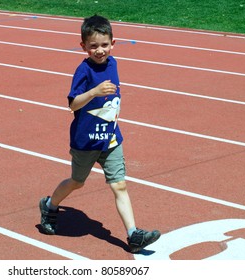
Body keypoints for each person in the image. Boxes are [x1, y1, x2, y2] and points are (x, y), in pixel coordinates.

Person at [39, 15, 160, 253]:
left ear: (113, 43)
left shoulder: (113, 63)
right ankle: (50, 205)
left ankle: (133, 235)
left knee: (120, 185)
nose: (100, 50)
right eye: (93, 46)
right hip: (86, 142)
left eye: (104, 45)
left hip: (111, 139)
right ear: (83, 46)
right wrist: (94, 91)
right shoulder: (83, 70)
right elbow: (73, 105)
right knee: (77, 182)